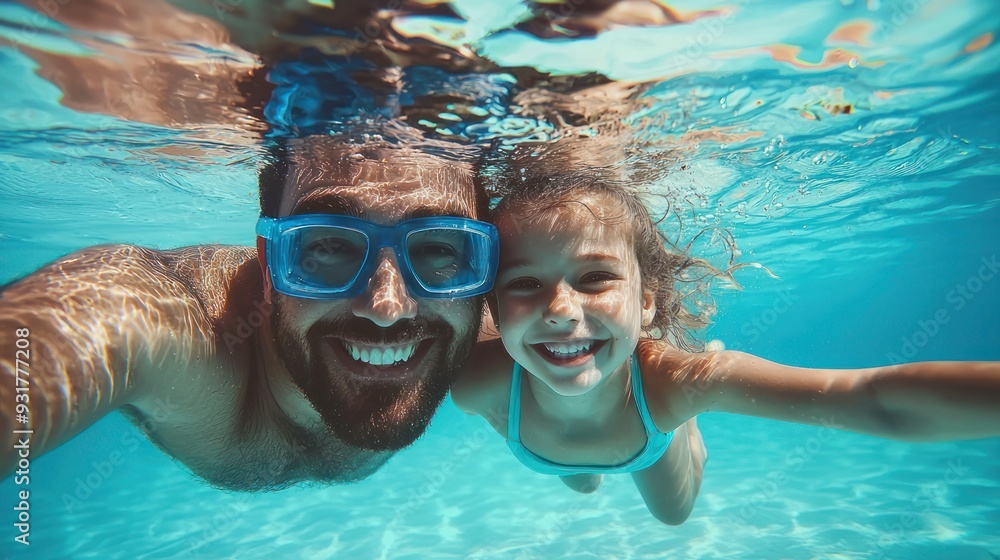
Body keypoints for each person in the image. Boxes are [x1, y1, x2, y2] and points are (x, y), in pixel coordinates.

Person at [451, 154, 1000, 525]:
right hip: (546, 444)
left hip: (649, 421)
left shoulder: (675, 386)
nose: (562, 311)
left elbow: (869, 398)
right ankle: (583, 467)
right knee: (581, 484)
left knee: (673, 516)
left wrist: (692, 392)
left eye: (596, 277)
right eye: (524, 283)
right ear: (494, 307)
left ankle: (690, 423)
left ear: (647, 301)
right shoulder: (474, 380)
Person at [0, 130, 499, 490]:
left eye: (439, 249)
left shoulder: (502, 327)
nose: (387, 307)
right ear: (268, 264)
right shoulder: (166, 320)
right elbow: (79, 326)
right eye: (326, 247)